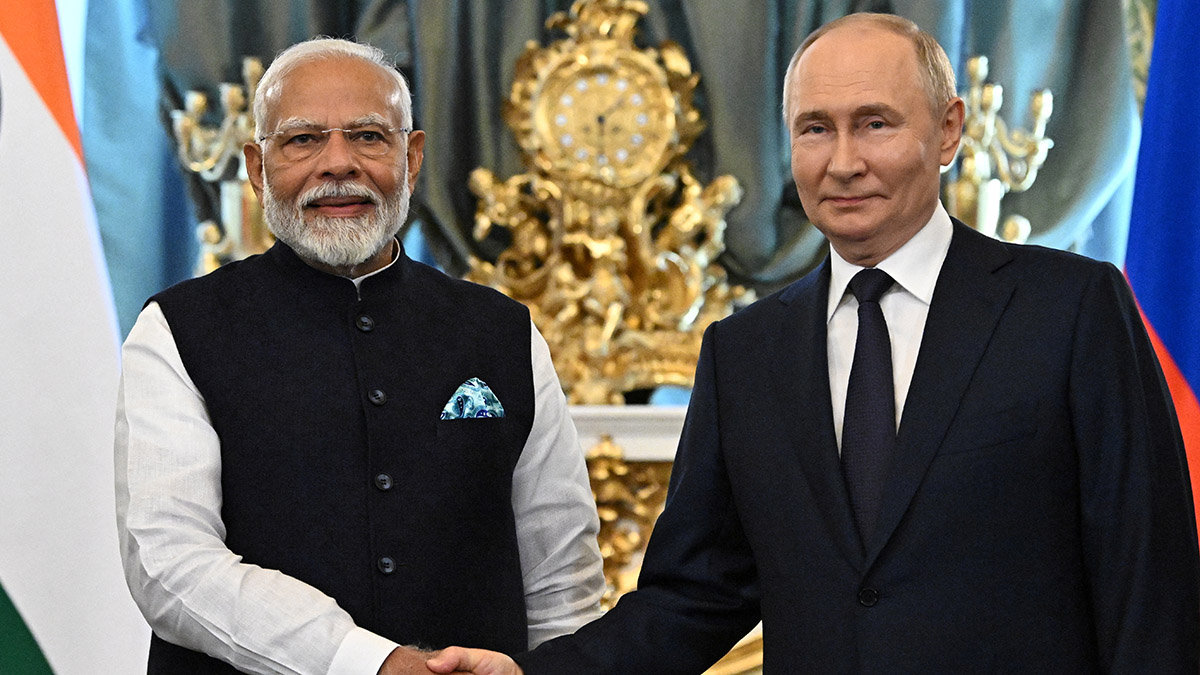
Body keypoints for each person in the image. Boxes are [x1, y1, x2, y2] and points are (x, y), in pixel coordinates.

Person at [428, 12, 1200, 674]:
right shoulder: (744, 352)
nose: (843, 162)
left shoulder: (1071, 307)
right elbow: (697, 594)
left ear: (949, 130)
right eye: (814, 129)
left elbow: (1147, 582)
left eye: (874, 123)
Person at [114, 37, 605, 675]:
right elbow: (169, 562)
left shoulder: (503, 332)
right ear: (257, 169)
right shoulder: (176, 330)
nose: (337, 164)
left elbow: (561, 579)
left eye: (370, 136)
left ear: (413, 156)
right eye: (302, 139)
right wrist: (366, 662)